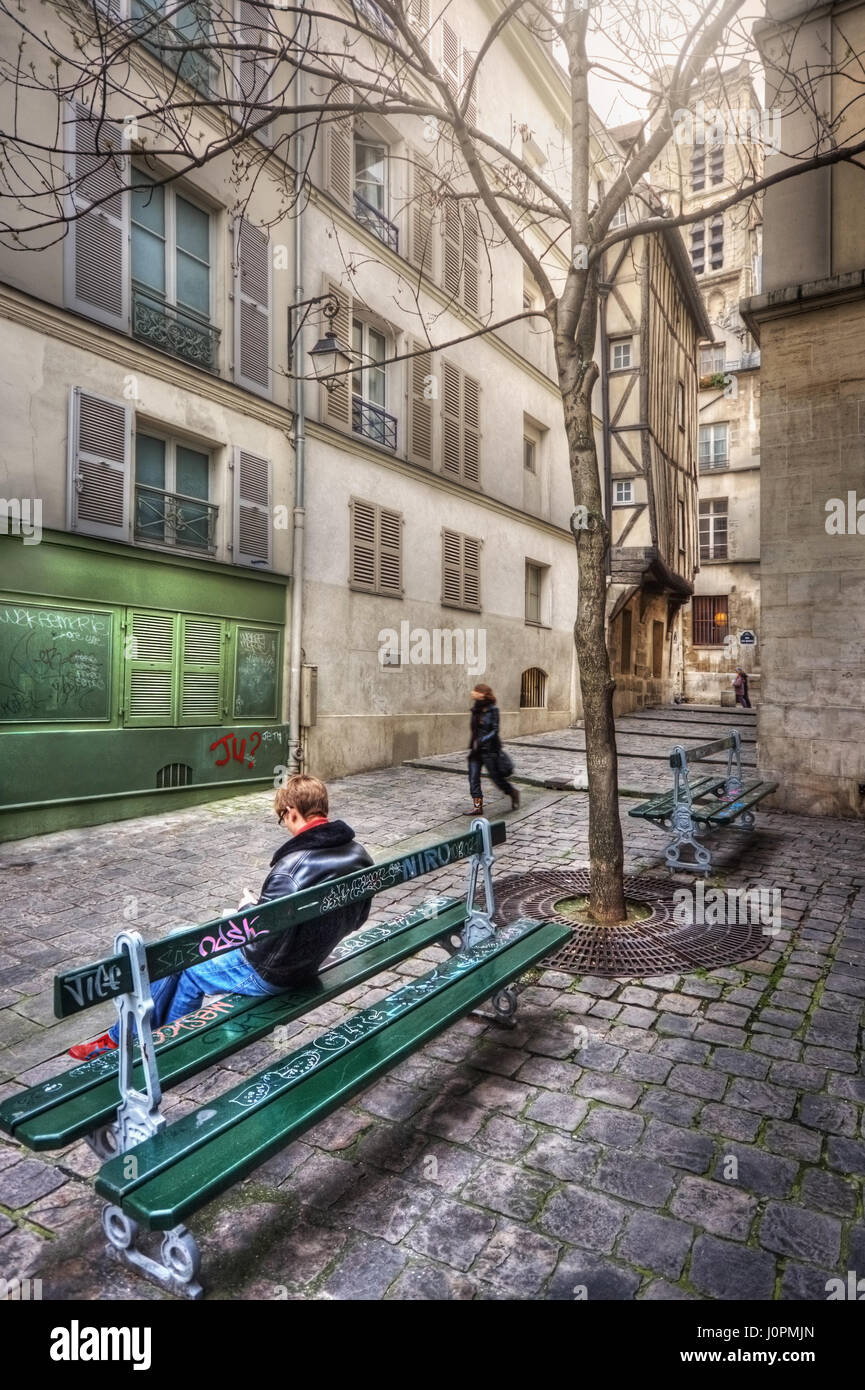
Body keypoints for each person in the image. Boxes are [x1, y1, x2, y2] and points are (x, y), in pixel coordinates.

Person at [69, 775, 374, 1060]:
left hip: (273, 972)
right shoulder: (358, 855)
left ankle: (138, 1041)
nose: (285, 825)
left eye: (283, 818)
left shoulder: (290, 869)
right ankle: (156, 1040)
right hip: (307, 960)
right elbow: (357, 920)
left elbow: (259, 941)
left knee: (183, 961)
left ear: (293, 811)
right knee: (179, 936)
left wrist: (245, 908)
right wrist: (265, 909)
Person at [467, 683, 519, 815]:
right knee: (473, 778)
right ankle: (477, 807)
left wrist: (482, 740)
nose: (472, 692)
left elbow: (495, 730)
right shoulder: (475, 709)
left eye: (476, 690)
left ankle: (512, 793)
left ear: (482, 694)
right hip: (476, 751)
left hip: (489, 750)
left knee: (496, 778)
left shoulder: (493, 710)